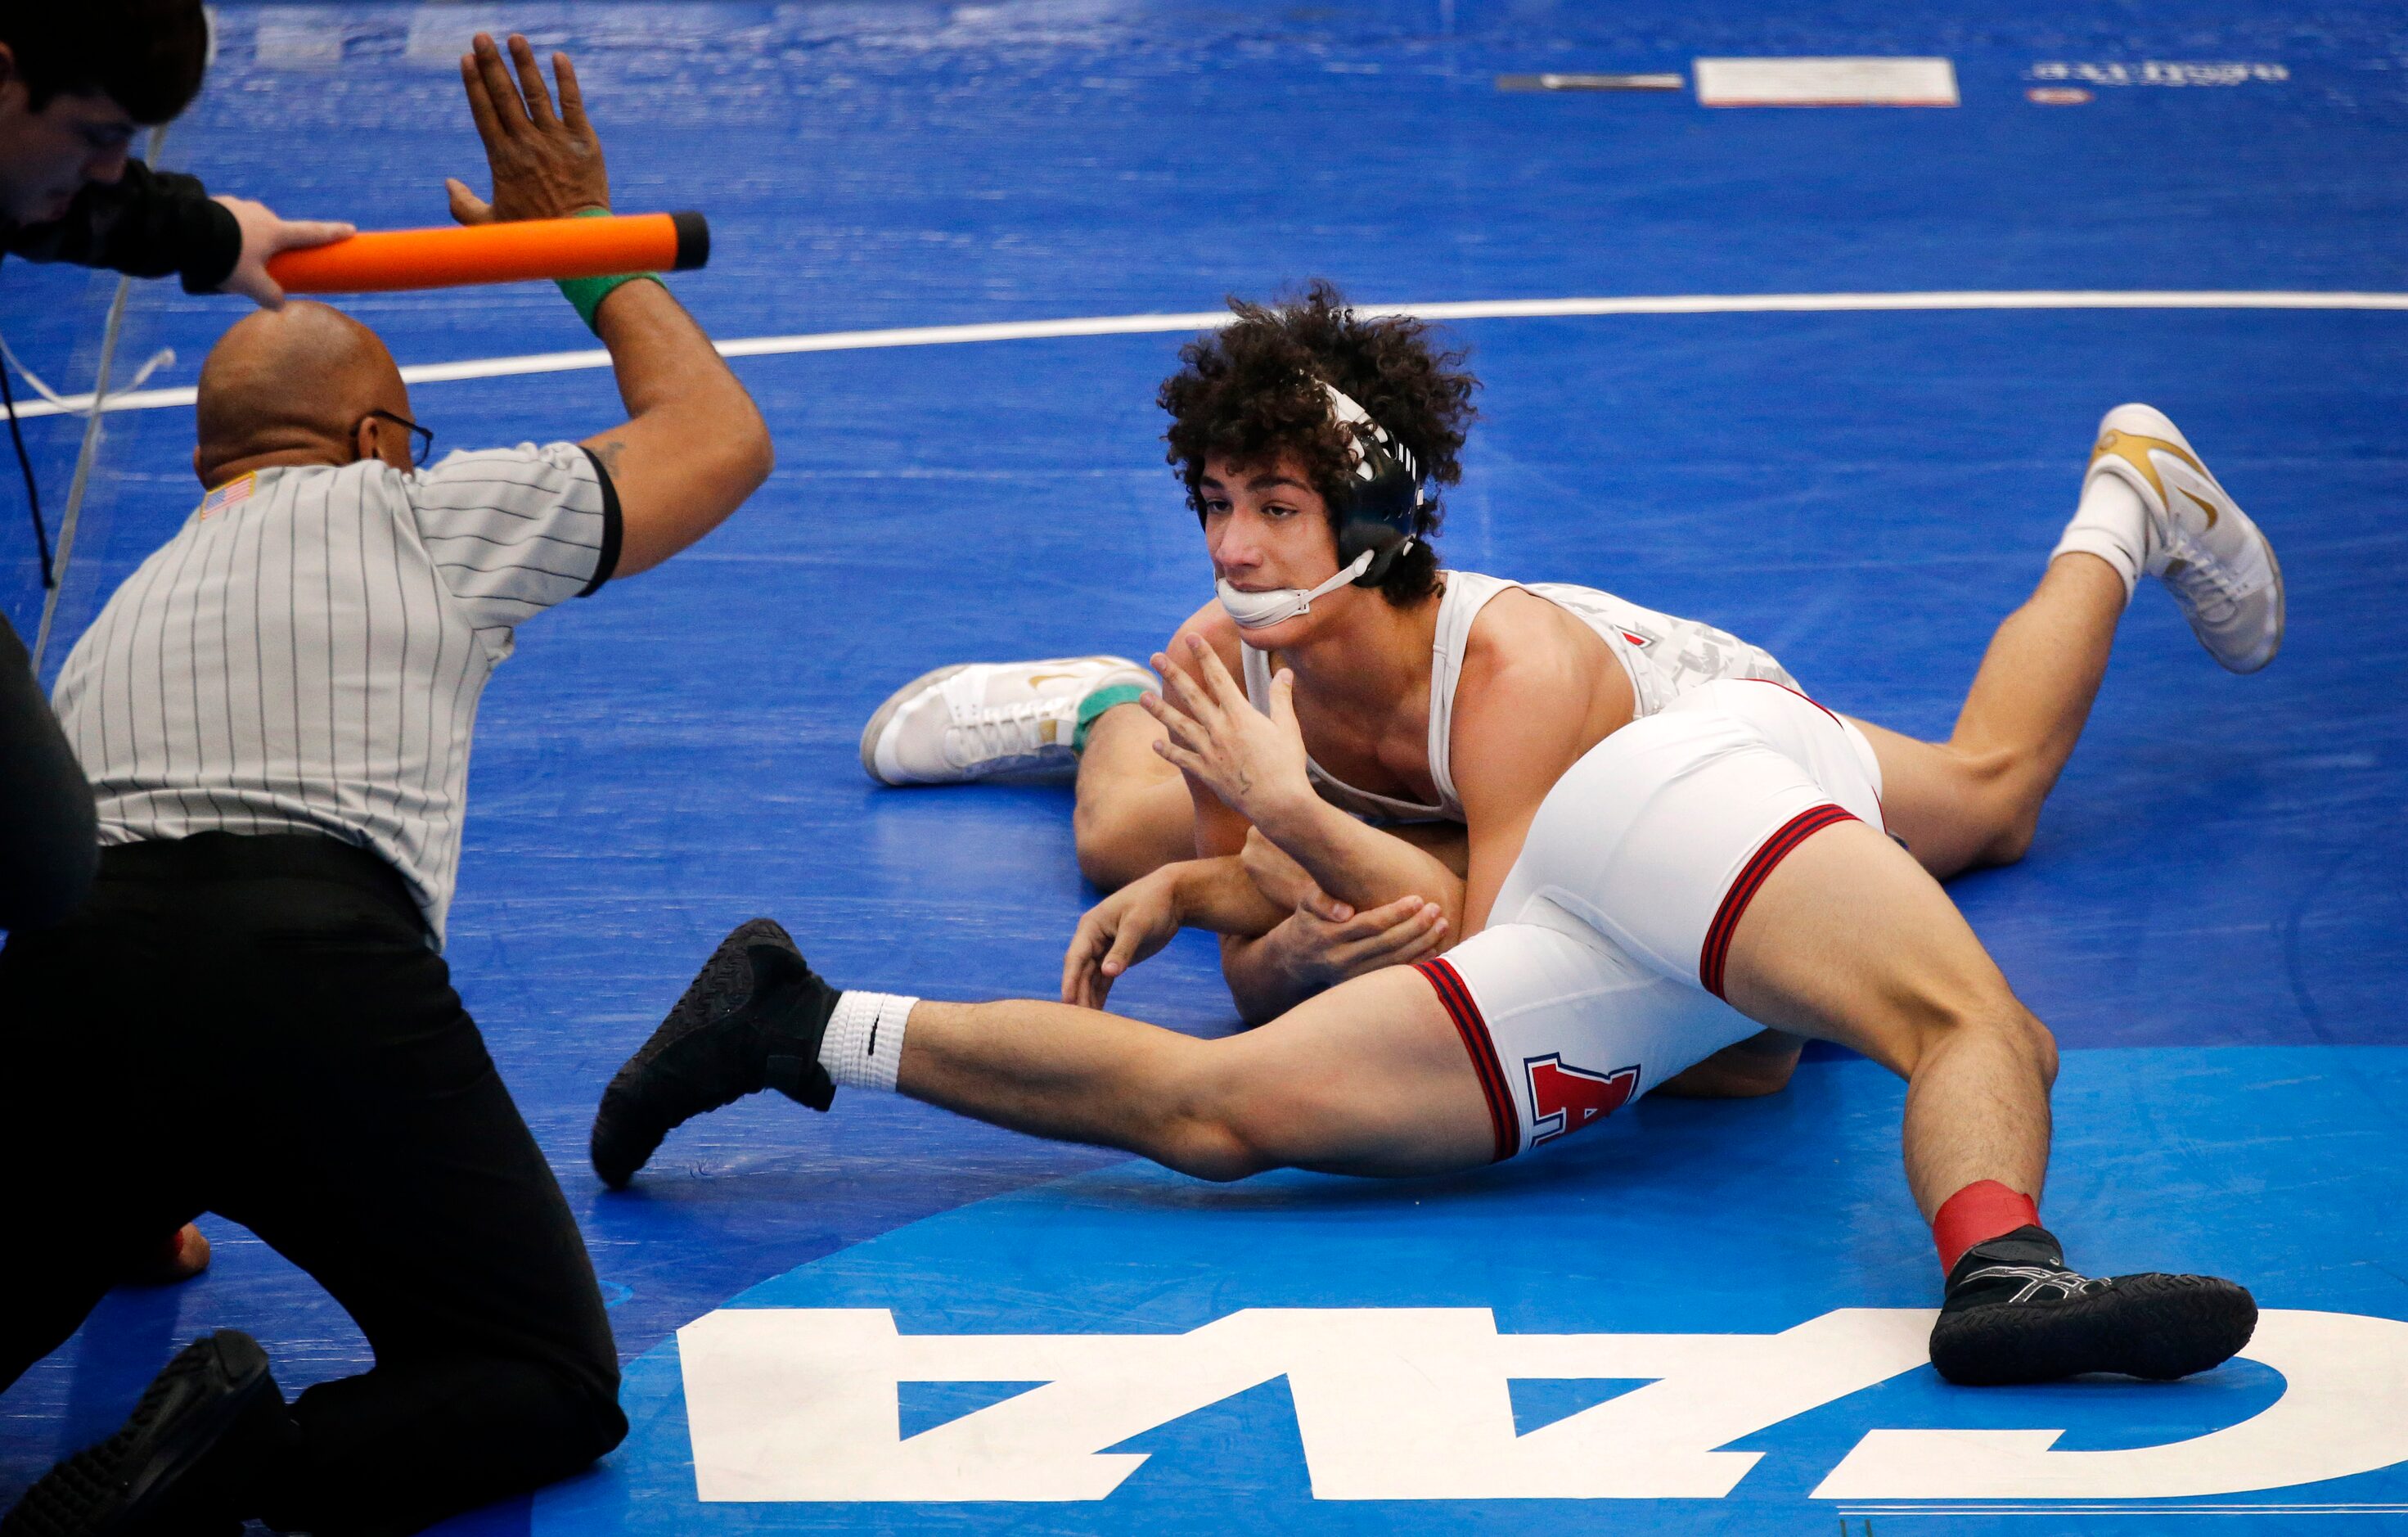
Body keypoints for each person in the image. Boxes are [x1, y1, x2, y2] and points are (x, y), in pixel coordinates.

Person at [593, 286, 2274, 1389]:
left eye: (1275, 508)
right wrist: (1217, 876)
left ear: (1379, 515)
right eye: (1218, 506)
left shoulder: (1526, 659)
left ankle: (2124, 499)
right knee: (1190, 1005)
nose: (1237, 548)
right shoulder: (1227, 646)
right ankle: (800, 1014)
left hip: (1683, 744)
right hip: (1551, 859)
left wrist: (1279, 830)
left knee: (1979, 801)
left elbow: (1489, 915)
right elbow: (1288, 964)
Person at [0, 34, 772, 1536]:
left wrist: (133, 1189)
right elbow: (719, 441)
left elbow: (125, 958)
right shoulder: (412, 511)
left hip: (71, 975)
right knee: (544, 1376)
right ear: (374, 440)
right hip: (316, 969)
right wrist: (592, 265)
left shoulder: (121, 616)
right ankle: (238, 1458)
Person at [2, 0, 357, 1291]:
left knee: (45, 853)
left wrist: (210, 233)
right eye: (94, 131)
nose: (108, 166)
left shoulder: (27, 157)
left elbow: (55, 203)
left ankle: (106, 1176)